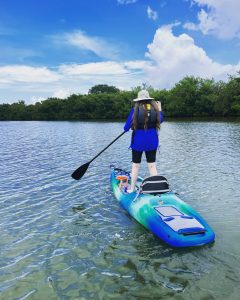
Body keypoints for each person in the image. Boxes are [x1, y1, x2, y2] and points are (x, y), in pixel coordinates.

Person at [123, 90, 164, 193]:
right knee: (152, 165)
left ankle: (132, 189)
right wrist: (160, 109)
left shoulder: (135, 110)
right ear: (149, 99)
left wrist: (131, 125)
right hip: (152, 141)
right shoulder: (155, 109)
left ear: (139, 100)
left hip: (138, 143)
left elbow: (126, 128)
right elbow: (161, 120)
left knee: (136, 165)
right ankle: (157, 189)